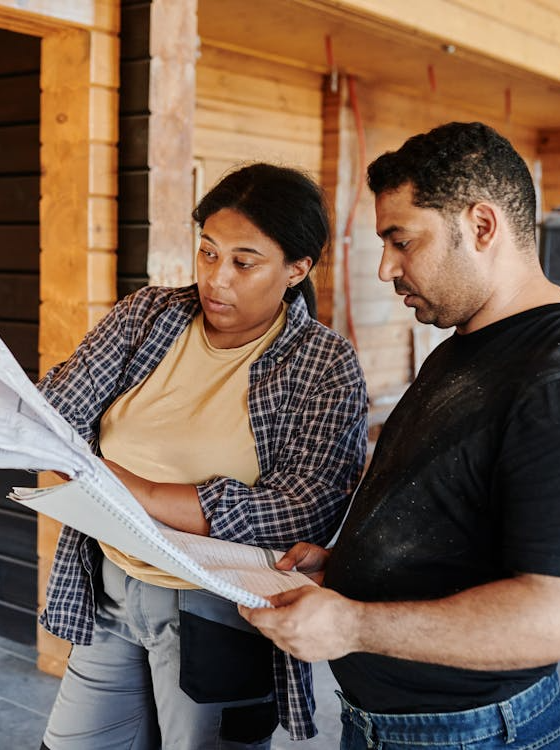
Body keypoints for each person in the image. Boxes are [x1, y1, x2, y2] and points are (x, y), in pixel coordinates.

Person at [240, 122, 560, 749]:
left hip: (469, 732)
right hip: (392, 721)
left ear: (482, 226)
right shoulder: (464, 345)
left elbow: (549, 617)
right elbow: (451, 515)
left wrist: (355, 624)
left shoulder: (549, 376)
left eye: (402, 241)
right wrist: (349, 569)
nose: (387, 268)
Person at [35, 163, 368, 749]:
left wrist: (131, 488)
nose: (217, 279)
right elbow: (56, 413)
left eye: (244, 262)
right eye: (208, 252)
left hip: (217, 610)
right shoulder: (148, 315)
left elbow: (302, 509)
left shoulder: (325, 364)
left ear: (297, 269)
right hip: (109, 581)